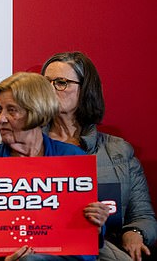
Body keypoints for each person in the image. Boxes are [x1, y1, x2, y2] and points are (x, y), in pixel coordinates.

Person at [0, 72, 110, 261]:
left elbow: (90, 238)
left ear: (37, 111)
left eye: (12, 110)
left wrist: (97, 222)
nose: (1, 119)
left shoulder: (72, 159)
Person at [42, 52, 157, 260]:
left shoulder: (119, 151)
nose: (50, 89)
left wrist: (135, 233)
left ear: (85, 90)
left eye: (61, 82)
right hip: (45, 250)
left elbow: (142, 216)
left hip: (104, 249)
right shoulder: (25, 147)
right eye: (45, 82)